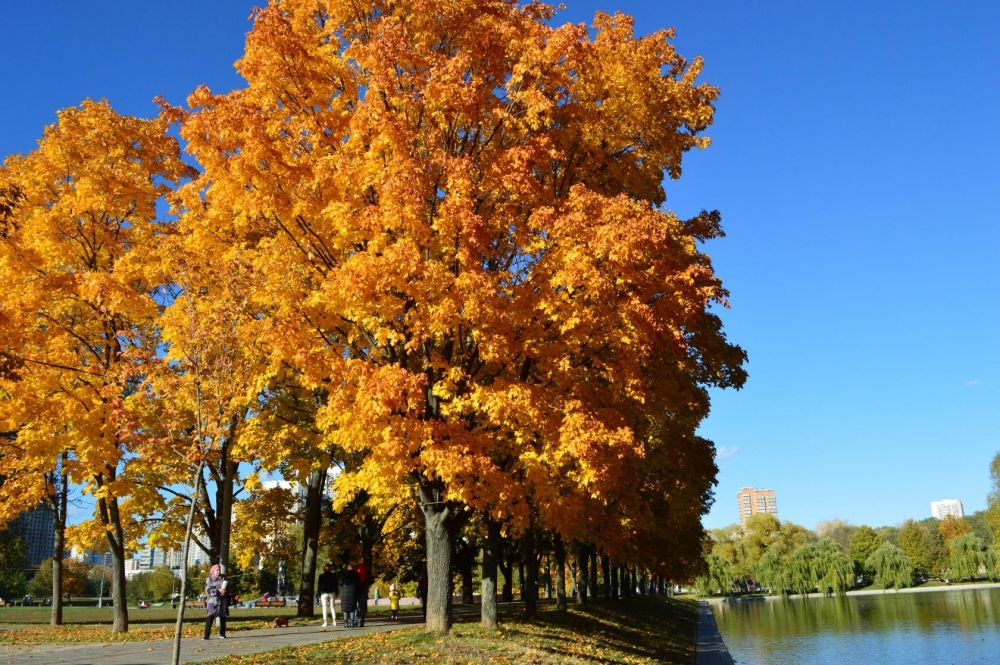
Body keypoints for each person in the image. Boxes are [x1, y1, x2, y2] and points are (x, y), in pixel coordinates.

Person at [204, 564, 228, 640]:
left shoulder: (224, 579)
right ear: (213, 571)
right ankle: (206, 635)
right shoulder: (209, 579)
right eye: (217, 570)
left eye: (219, 570)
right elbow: (207, 590)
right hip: (211, 602)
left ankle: (222, 634)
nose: (218, 571)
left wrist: (226, 591)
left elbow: (229, 589)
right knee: (209, 617)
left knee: (223, 618)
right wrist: (218, 591)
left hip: (222, 601)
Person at [317, 563, 339, 628]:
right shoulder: (333, 575)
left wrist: (318, 595)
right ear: (330, 568)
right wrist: (336, 593)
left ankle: (325, 622)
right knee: (332, 607)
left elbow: (319, 586)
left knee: (324, 608)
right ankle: (334, 621)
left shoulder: (321, 576)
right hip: (332, 592)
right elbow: (336, 585)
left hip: (324, 593)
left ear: (324, 569)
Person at [340, 563, 361, 628]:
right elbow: (358, 584)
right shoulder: (356, 575)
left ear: (347, 568)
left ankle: (345, 623)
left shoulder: (344, 574)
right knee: (352, 608)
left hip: (345, 592)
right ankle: (352, 623)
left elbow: (340, 582)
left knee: (345, 608)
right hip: (353, 592)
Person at [355, 561, 369, 627]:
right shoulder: (360, 568)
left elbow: (361, 579)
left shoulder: (360, 569)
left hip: (359, 590)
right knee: (361, 606)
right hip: (361, 589)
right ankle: (360, 621)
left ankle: (358, 621)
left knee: (360, 606)